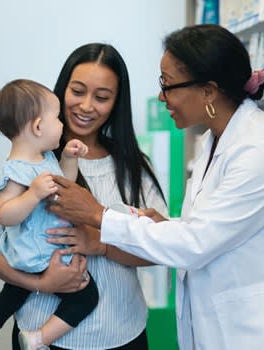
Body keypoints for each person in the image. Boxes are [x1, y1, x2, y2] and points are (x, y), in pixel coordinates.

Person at [47, 25, 264, 350]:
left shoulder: (254, 150)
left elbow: (196, 243)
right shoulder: (212, 141)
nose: (162, 97)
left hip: (239, 331)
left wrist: (97, 216)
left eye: (168, 85)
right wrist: (168, 226)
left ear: (208, 91)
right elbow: (204, 229)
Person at [0, 43, 167, 350]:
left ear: (116, 103)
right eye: (77, 91)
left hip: (123, 335)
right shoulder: (29, 161)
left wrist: (99, 242)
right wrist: (40, 283)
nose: (86, 106)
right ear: (62, 91)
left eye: (101, 97)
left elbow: (159, 247)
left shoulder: (134, 166)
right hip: (37, 335)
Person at [0, 79, 99, 350]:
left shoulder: (46, 157)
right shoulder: (16, 169)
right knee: (87, 296)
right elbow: (4, 214)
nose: (62, 124)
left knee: (11, 297)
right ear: (38, 126)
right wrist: (32, 195)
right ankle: (33, 338)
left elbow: (64, 186)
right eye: (58, 117)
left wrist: (69, 160)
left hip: (43, 250)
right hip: (33, 253)